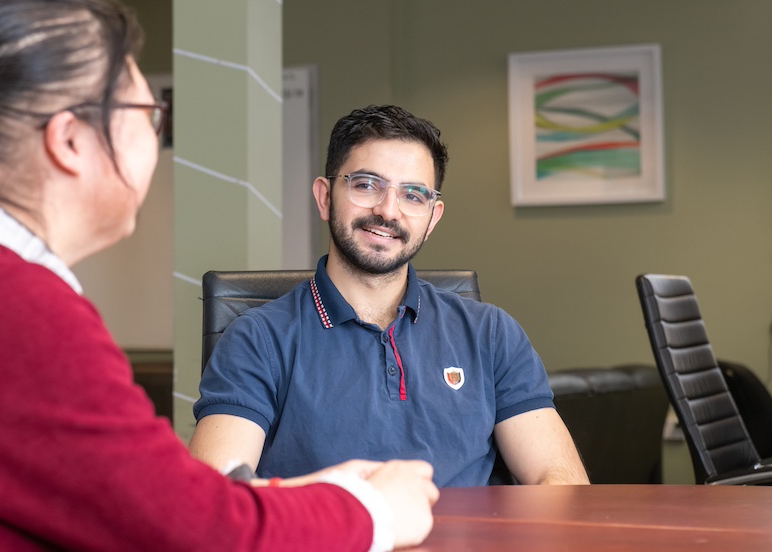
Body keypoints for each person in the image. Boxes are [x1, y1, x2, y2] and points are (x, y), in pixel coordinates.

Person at [0, 0, 439, 551]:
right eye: (149, 113)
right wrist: (374, 512)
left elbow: (140, 502)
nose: (157, 135)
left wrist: (298, 497)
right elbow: (194, 537)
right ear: (69, 141)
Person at [190, 105, 589, 488]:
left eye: (413, 195)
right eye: (366, 185)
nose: (388, 210)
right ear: (325, 197)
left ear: (432, 217)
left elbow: (558, 480)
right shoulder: (257, 339)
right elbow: (215, 496)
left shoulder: (491, 334)